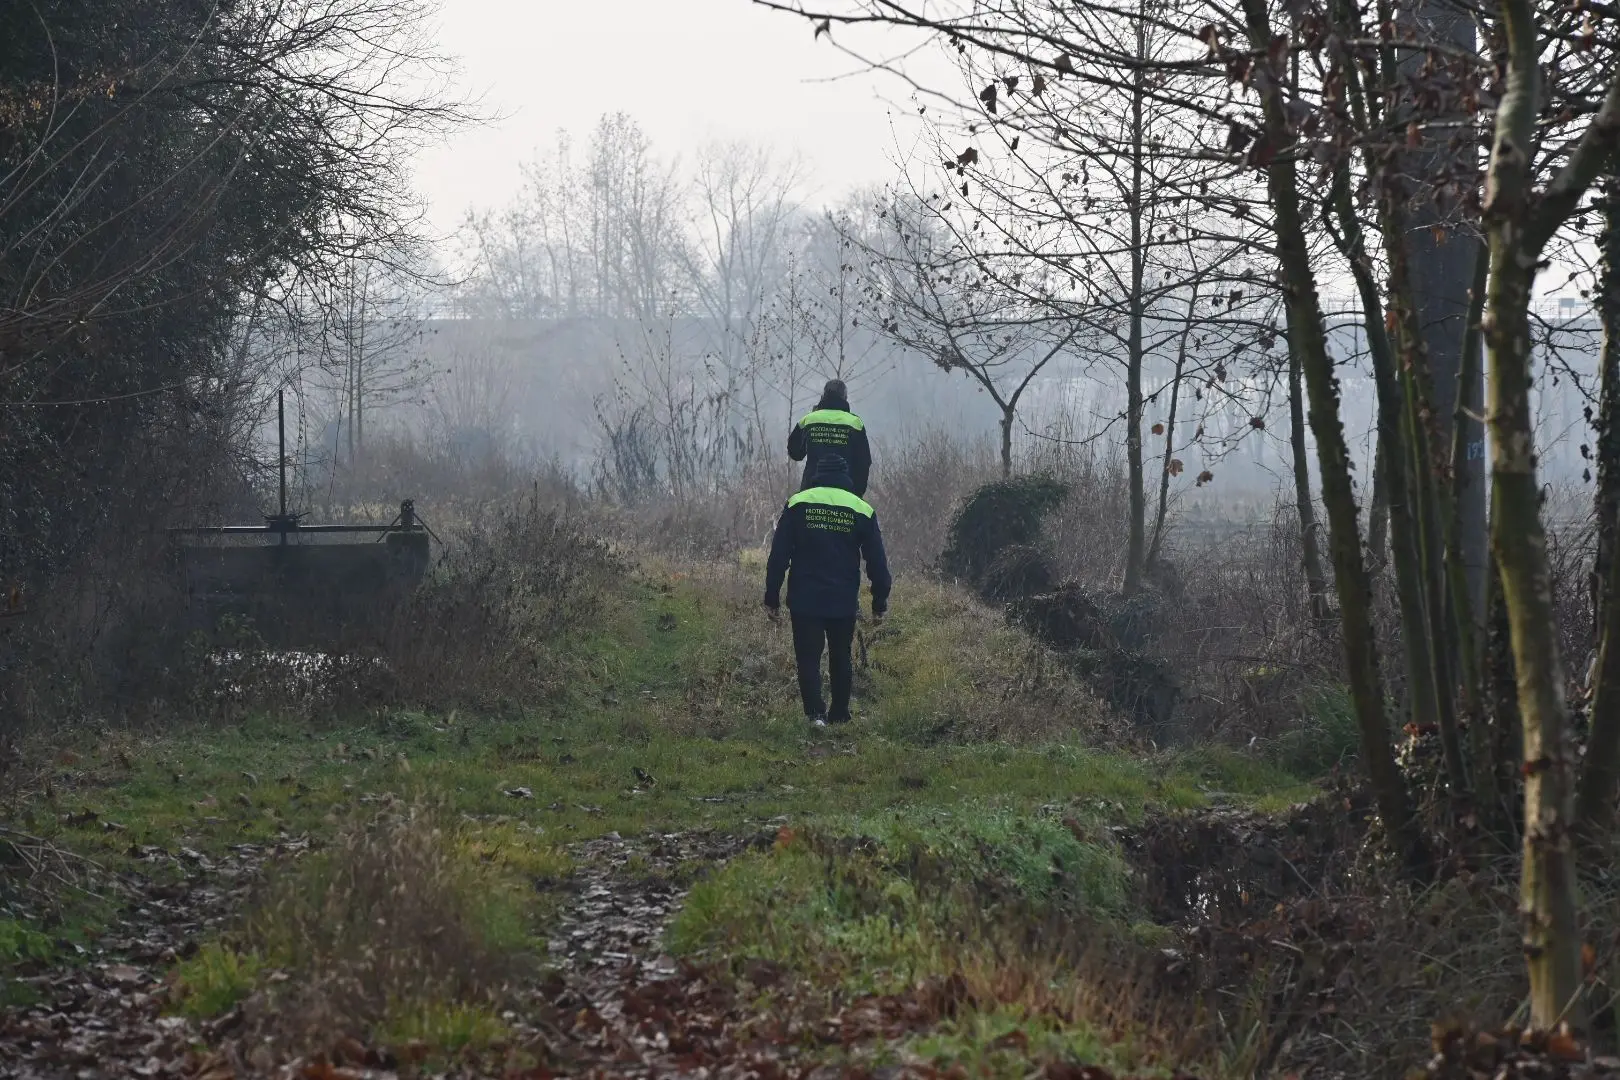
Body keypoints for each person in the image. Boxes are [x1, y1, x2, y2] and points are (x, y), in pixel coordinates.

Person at [764, 453, 892, 727]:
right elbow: (877, 561)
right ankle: (839, 714)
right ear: (847, 477)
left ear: (816, 475)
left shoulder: (798, 504)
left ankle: (815, 715)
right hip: (842, 598)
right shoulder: (861, 509)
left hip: (804, 596)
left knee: (808, 655)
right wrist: (879, 602)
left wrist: (771, 596)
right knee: (840, 654)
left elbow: (779, 555)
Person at [788, 378, 872, 497]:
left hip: (812, 492)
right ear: (845, 397)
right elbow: (863, 463)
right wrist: (857, 493)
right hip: (845, 494)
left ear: (823, 396)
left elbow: (795, 453)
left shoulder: (809, 419)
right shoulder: (855, 423)